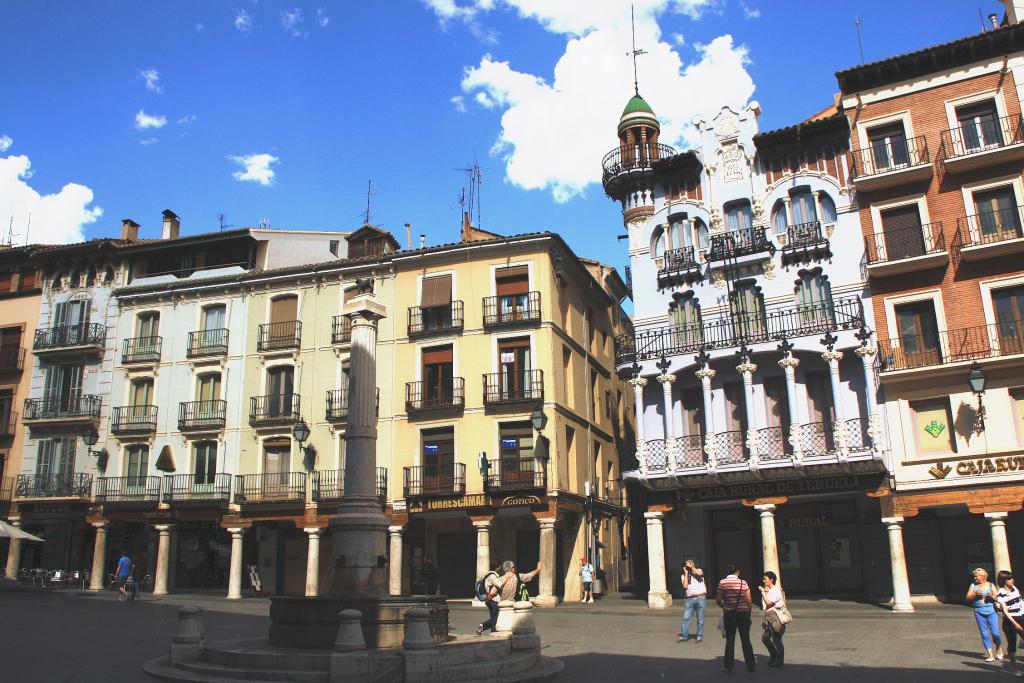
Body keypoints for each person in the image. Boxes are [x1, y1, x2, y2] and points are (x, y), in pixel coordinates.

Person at [716, 563, 755, 673]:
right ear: (737, 571)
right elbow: (749, 600)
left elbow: (718, 599)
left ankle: (728, 666)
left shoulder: (722, 583)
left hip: (730, 614)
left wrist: (724, 607)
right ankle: (751, 665)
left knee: (730, 640)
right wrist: (749, 611)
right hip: (743, 613)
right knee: (746, 639)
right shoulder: (744, 583)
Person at [967, 567, 1003, 662]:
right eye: (974, 577)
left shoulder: (991, 585)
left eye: (976, 576)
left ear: (983, 576)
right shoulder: (973, 585)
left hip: (991, 611)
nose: (975, 578)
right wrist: (974, 594)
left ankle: (998, 647)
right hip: (979, 611)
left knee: (995, 633)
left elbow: (998, 598)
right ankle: (990, 654)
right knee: (984, 634)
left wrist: (992, 596)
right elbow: (967, 598)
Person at [997, 570, 1024, 676]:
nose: (1012, 580)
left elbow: (1020, 602)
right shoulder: (1000, 594)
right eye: (1009, 578)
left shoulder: (1014, 589)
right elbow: (1006, 612)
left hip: (1021, 617)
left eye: (1012, 578)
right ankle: (1014, 669)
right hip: (1010, 621)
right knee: (1012, 645)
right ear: (1004, 581)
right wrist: (1016, 624)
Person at [759, 571, 785, 667]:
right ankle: (774, 654)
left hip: (776, 618)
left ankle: (779, 660)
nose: (764, 581)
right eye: (764, 579)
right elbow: (766, 607)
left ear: (771, 580)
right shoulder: (769, 591)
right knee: (765, 637)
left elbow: (769, 603)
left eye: (765, 579)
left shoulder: (775, 590)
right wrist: (764, 620)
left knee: (776, 639)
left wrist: (762, 592)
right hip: (769, 617)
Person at [679, 559, 706, 643]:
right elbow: (685, 586)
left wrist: (692, 567)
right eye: (686, 564)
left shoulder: (699, 570)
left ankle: (699, 636)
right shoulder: (683, 575)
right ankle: (684, 636)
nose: (687, 566)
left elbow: (700, 574)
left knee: (700, 618)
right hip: (689, 599)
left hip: (700, 597)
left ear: (693, 564)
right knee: (686, 618)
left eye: (689, 564)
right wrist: (686, 573)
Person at [475, 560, 503, 635]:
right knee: (496, 619)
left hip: (490, 600)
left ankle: (482, 626)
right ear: (498, 567)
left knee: (495, 618)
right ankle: (493, 635)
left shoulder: (488, 575)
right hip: (494, 600)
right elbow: (500, 585)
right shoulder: (493, 576)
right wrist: (507, 578)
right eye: (500, 566)